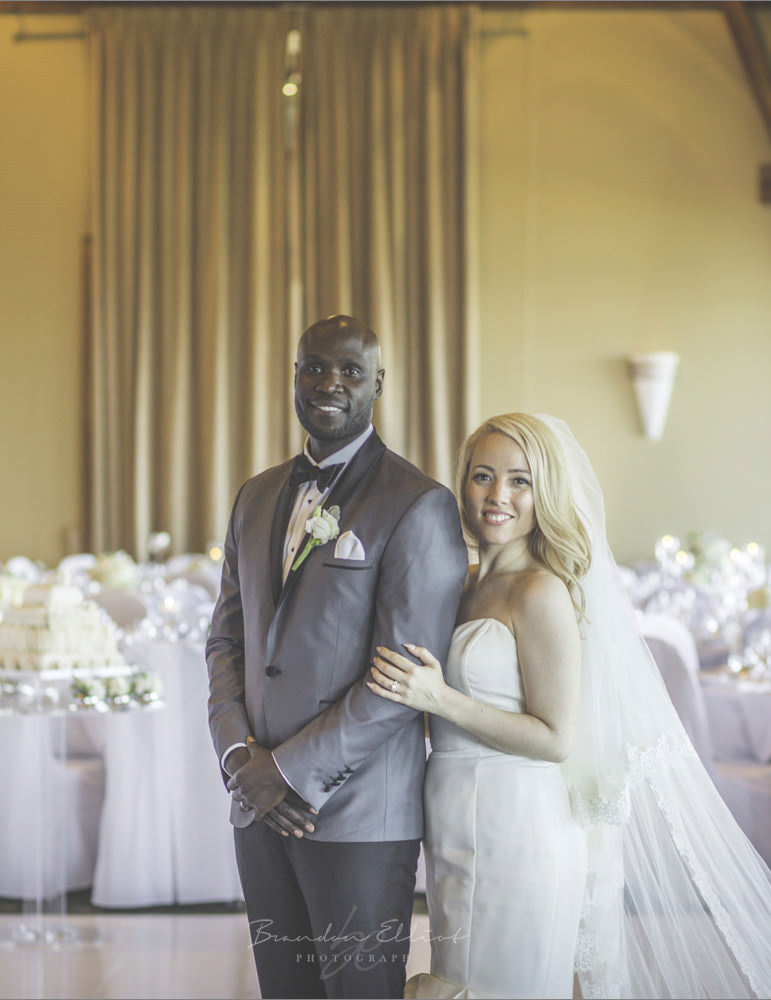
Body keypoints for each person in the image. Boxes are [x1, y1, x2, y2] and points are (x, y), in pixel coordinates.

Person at [371, 414, 771, 999]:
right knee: (460, 976)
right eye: (483, 476)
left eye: (520, 480)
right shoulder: (460, 582)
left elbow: (554, 738)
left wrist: (440, 699)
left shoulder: (540, 591)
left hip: (518, 820)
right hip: (451, 810)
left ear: (545, 493)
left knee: (503, 984)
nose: (498, 495)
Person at [206, 314, 469, 999]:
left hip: (358, 815)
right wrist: (240, 760)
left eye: (351, 371)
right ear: (294, 375)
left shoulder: (418, 504)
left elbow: (402, 680)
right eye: (315, 367)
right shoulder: (255, 495)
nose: (330, 382)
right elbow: (226, 641)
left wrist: (287, 772)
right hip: (258, 805)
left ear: (378, 384)